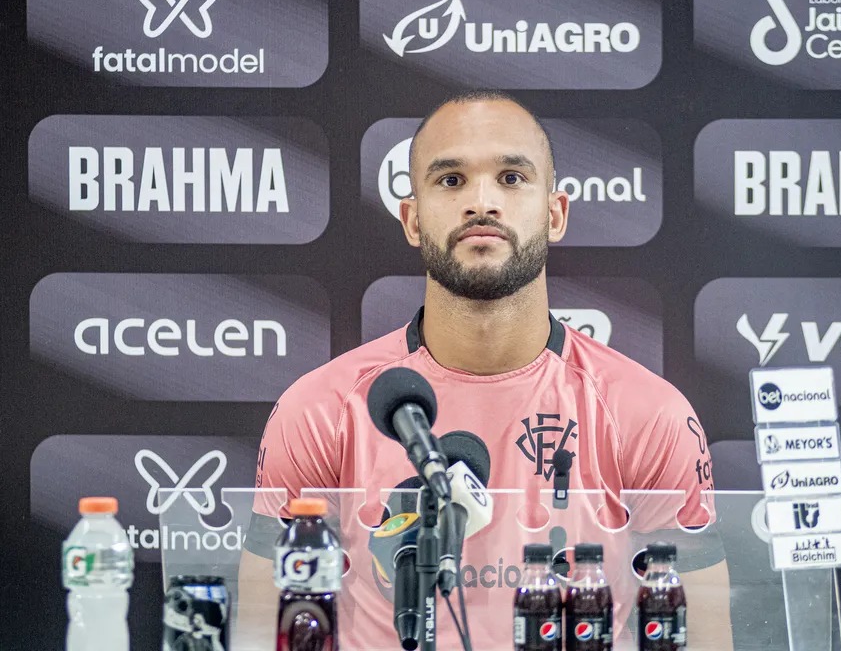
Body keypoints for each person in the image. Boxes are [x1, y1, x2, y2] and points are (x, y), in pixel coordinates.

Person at [238, 90, 732, 649]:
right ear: (412, 220)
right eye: (450, 181)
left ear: (555, 214)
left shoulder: (646, 412)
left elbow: (706, 636)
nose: (481, 202)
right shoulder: (320, 409)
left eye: (512, 179)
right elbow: (263, 630)